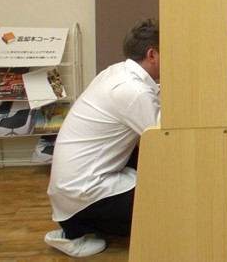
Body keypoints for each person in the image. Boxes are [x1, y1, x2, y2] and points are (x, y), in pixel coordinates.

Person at [44, 18, 161, 257]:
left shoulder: (115, 72)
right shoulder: (133, 90)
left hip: (70, 190)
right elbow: (165, 139)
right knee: (168, 200)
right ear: (152, 55)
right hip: (83, 195)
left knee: (145, 156)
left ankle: (76, 225)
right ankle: (76, 230)